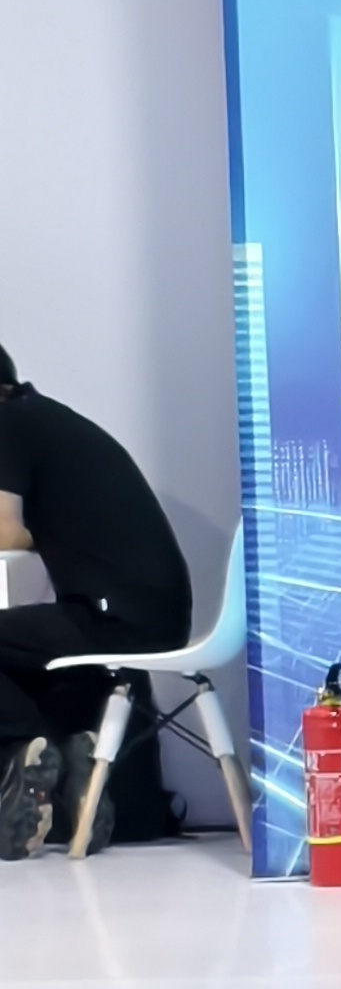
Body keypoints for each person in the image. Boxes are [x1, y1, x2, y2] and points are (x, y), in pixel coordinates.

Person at [0, 346, 191, 857]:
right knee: (22, 650)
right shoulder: (45, 420)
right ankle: (62, 765)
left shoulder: (9, 423)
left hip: (113, 618)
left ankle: (33, 755)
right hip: (147, 615)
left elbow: (5, 530)